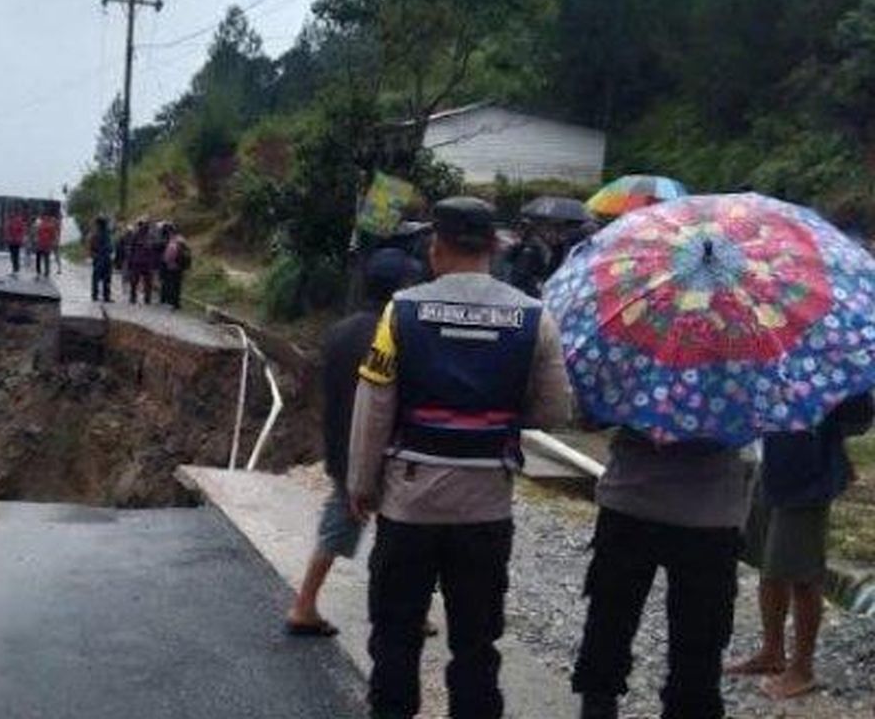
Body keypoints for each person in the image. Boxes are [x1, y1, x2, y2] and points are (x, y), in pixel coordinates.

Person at [348, 197, 571, 719]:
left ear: (435, 247)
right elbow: (555, 410)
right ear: (494, 246)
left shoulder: (401, 311)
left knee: (396, 632)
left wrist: (362, 483)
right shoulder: (535, 317)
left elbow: (374, 405)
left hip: (409, 505)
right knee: (476, 642)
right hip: (486, 507)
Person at [572, 427, 758, 719]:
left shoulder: (639, 394)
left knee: (610, 618)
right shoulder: (738, 396)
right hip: (711, 515)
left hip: (631, 500)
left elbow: (590, 417)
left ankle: (599, 699)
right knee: (700, 641)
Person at [286, 249, 423, 637]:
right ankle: (406, 611)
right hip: (390, 447)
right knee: (406, 532)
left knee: (337, 525)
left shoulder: (340, 330)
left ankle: (306, 603)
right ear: (401, 289)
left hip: (342, 445)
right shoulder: (398, 335)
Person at [727, 393, 874, 700]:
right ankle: (772, 652)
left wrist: (820, 418)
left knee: (802, 573)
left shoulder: (822, 369)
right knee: (769, 566)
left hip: (806, 478)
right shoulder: (770, 364)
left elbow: (860, 414)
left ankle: (802, 669)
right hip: (770, 466)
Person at [501, 220, 553, 298]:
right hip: (519, 280)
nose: (519, 231)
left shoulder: (535, 245)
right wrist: (515, 247)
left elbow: (544, 262)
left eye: (522, 228)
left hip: (528, 281)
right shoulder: (521, 243)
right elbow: (508, 258)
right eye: (517, 228)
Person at [159, 223, 192, 310]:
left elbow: (168, 256)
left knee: (171, 284)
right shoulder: (182, 240)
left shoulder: (173, 242)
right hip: (181, 267)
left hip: (172, 266)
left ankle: (171, 302)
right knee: (178, 285)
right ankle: (177, 302)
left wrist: (165, 262)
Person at [128, 218, 156, 304]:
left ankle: (136, 297)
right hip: (143, 262)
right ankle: (144, 298)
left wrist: (130, 260)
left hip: (140, 261)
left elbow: (131, 248)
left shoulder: (138, 235)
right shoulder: (149, 235)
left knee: (137, 281)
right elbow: (131, 248)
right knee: (144, 281)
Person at [88, 215, 114, 302]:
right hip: (106, 258)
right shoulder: (107, 234)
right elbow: (110, 247)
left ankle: (95, 295)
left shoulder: (95, 234)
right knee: (106, 278)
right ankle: (106, 296)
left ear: (98, 224)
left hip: (98, 258)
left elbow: (91, 248)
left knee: (96, 278)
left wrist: (93, 255)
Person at [35, 212, 58, 278]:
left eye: (47, 216)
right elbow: (37, 233)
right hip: (40, 243)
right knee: (38, 257)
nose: (45, 218)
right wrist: (36, 240)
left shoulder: (51, 225)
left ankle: (46, 271)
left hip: (47, 244)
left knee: (46, 258)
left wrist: (53, 242)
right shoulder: (40, 224)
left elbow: (53, 235)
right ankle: (38, 271)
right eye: (44, 216)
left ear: (48, 217)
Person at [5, 211, 27, 276]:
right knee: (13, 255)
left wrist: (19, 238)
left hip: (16, 241)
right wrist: (8, 237)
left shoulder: (18, 222)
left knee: (15, 255)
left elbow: (22, 231)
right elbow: (7, 230)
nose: (11, 215)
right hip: (12, 241)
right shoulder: (10, 221)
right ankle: (15, 268)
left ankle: (16, 269)